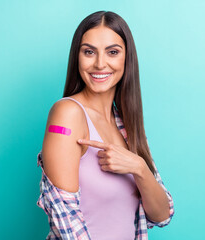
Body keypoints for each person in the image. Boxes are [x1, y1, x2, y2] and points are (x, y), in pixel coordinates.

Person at [36, 10, 174, 239]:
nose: (100, 64)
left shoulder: (127, 126)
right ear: (77, 57)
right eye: (89, 52)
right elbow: (65, 219)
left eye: (112, 52)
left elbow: (162, 215)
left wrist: (139, 167)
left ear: (126, 58)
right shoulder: (67, 113)